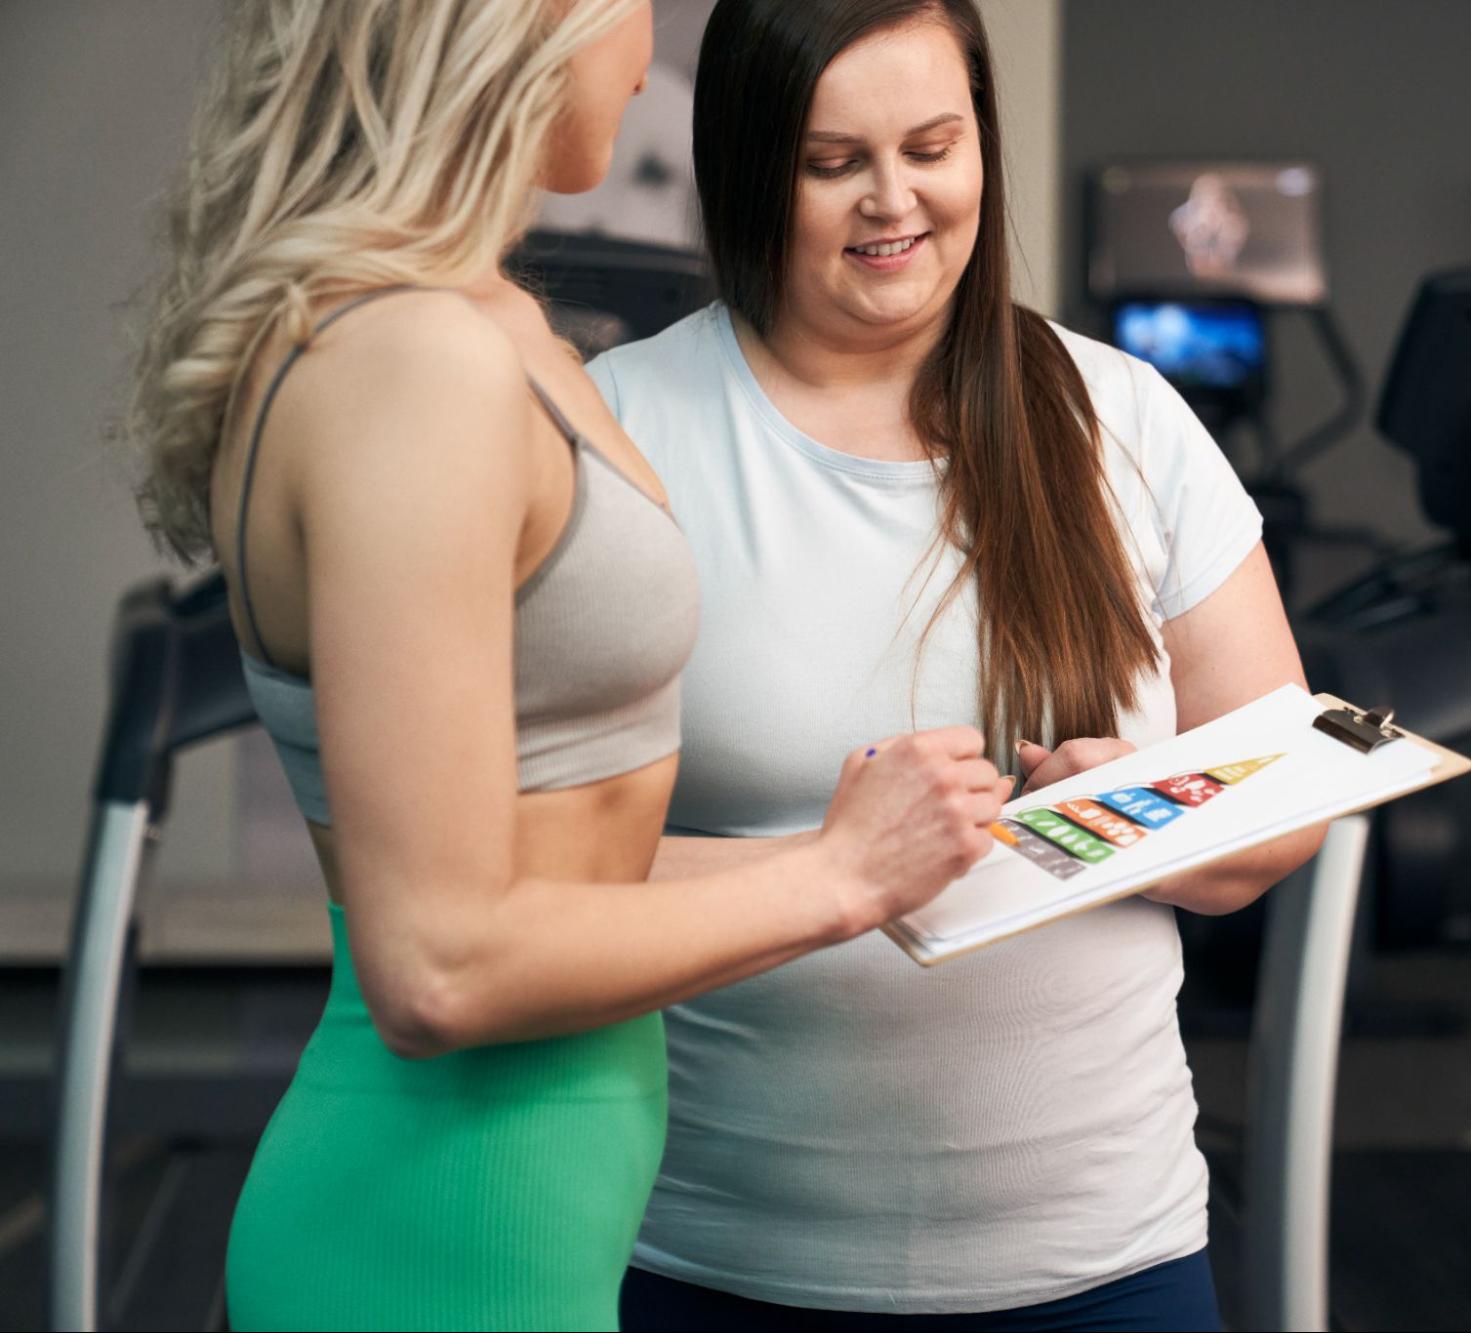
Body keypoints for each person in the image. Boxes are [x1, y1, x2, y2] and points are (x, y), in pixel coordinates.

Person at [122, 2, 1006, 1327]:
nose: (649, 56)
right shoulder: (409, 357)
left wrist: (851, 850)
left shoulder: (476, 320)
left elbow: (553, 862)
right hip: (433, 1244)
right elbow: (439, 964)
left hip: (522, 1226)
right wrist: (838, 878)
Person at [591, 1, 1324, 1327]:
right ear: (748, 169)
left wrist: (1135, 807)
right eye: (834, 163)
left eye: (932, 147)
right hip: (721, 1256)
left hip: (1108, 1259)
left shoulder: (1124, 415)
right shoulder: (623, 427)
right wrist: (832, 863)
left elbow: (1285, 798)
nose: (895, 200)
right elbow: (530, 869)